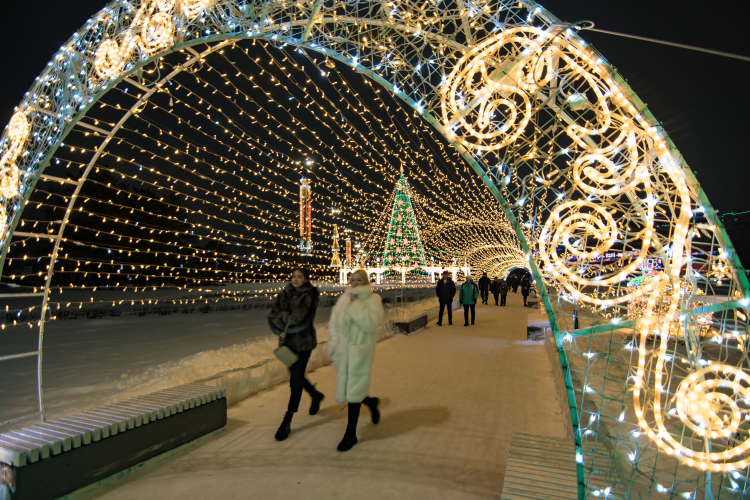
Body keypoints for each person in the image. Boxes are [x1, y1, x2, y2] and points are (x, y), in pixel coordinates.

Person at [328, 269, 384, 451]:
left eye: (359, 280)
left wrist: (356, 305)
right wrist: (335, 345)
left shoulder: (373, 300)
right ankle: (371, 402)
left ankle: (350, 434)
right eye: (352, 280)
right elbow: (334, 324)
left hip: (361, 352)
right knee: (354, 388)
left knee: (353, 391)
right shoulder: (344, 299)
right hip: (344, 352)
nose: (354, 283)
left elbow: (370, 323)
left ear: (366, 282)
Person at [268, 267, 325, 441]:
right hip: (287, 344)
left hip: (303, 344)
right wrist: (284, 321)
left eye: (300, 276)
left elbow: (300, 320)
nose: (295, 279)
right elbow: (272, 317)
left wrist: (283, 319)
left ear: (306, 279)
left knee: (295, 381)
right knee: (296, 376)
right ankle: (315, 394)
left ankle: (287, 420)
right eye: (293, 276)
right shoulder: (284, 293)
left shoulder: (309, 296)